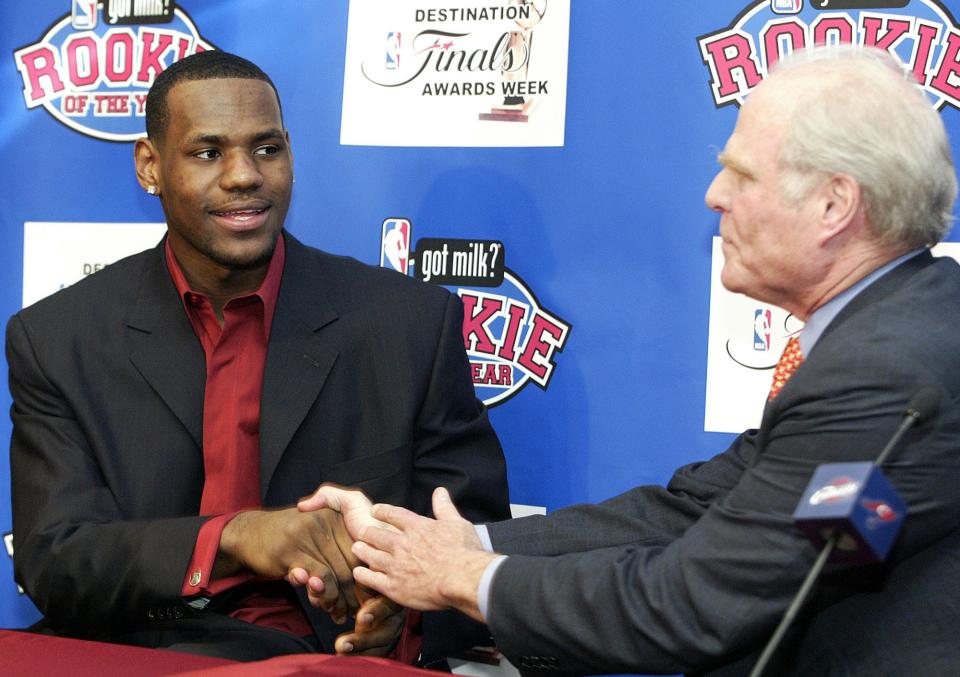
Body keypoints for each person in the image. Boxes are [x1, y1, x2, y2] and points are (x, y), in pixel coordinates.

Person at [301, 45, 960, 675]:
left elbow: (689, 603)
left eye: (742, 172)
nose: (714, 194)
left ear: (833, 205)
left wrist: (460, 576)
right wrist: (466, 545)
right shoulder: (894, 326)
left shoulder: (884, 368)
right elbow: (695, 508)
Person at [6, 50, 509, 664]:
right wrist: (238, 536)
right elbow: (56, 560)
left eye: (267, 149)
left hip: (319, 655)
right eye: (208, 152)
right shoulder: (60, 337)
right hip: (130, 643)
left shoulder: (406, 324)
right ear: (150, 167)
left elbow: (475, 543)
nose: (245, 175)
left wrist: (399, 611)